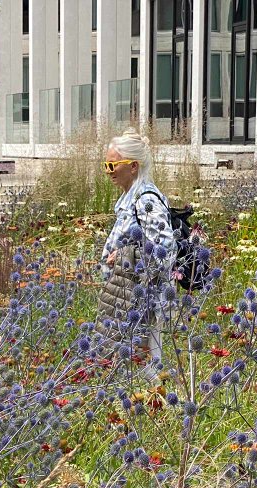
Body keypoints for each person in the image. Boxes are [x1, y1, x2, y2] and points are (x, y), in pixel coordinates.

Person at [98, 128, 176, 379]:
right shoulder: (131, 197)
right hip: (128, 295)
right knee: (134, 365)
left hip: (144, 299)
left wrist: (125, 255)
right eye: (106, 165)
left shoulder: (145, 200)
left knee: (147, 367)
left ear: (133, 166)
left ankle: (159, 398)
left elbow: (165, 248)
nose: (108, 171)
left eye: (113, 165)